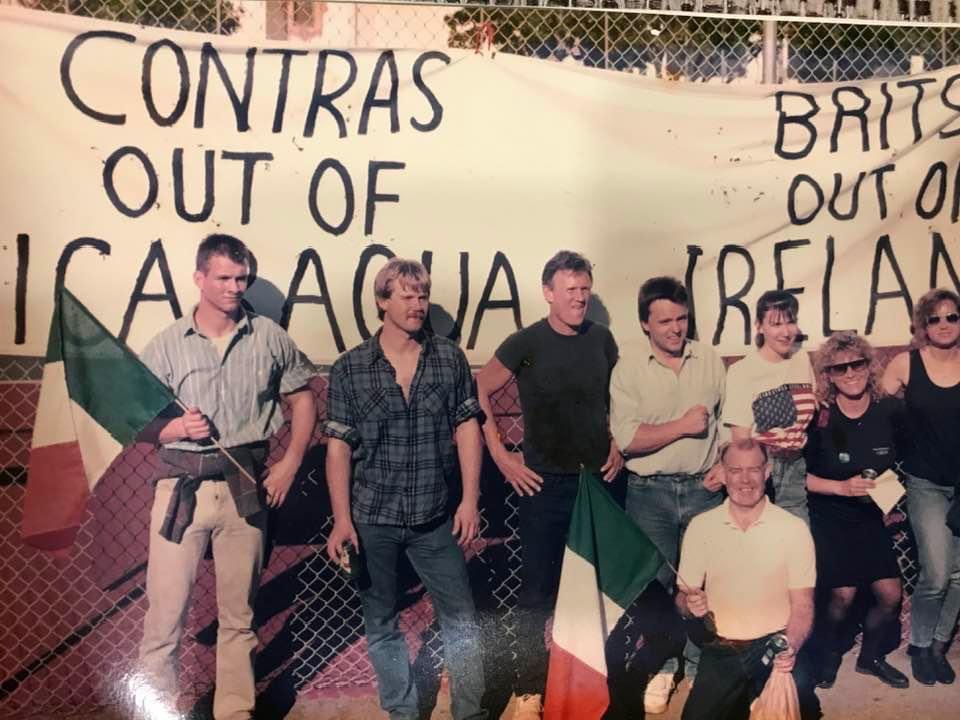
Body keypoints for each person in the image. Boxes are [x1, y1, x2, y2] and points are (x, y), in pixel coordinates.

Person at [138, 234, 317, 720]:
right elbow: (132, 418)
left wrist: (291, 460)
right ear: (199, 279)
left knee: (239, 618)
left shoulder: (270, 338)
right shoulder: (167, 344)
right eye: (223, 277)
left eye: (242, 278)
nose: (235, 287)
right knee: (165, 619)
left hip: (245, 488)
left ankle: (235, 712)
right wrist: (173, 427)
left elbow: (303, 398)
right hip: (181, 491)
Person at [324, 258, 487, 720]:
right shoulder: (350, 367)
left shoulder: (448, 358)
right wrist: (342, 519)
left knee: (462, 618)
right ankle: (401, 710)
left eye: (423, 295)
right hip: (372, 515)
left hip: (434, 516)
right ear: (382, 302)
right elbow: (337, 447)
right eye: (407, 296)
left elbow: (467, 428)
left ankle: (469, 713)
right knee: (380, 620)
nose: (418, 305)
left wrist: (470, 499)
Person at [475, 250, 623, 720]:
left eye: (585, 290)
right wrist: (502, 456)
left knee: (596, 588)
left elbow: (617, 400)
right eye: (570, 290)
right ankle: (527, 691)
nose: (579, 298)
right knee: (536, 593)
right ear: (548, 293)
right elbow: (477, 389)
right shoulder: (525, 342)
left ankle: (590, 684)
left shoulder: (603, 340)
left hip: (596, 483)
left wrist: (618, 441)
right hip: (543, 487)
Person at [609, 276, 726, 714]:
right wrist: (682, 425)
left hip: (703, 490)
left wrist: (724, 464)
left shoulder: (709, 359)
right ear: (645, 324)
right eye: (665, 321)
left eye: (681, 318)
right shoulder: (629, 369)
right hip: (649, 493)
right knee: (654, 588)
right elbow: (626, 439)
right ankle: (663, 663)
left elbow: (729, 423)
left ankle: (696, 669)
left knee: (702, 584)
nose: (676, 328)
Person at [676, 438, 820, 720]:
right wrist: (688, 605)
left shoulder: (793, 528)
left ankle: (758, 696)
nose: (745, 480)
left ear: (767, 472)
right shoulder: (702, 526)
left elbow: (803, 606)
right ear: (722, 473)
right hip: (724, 647)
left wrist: (789, 647)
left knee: (802, 699)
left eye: (753, 469)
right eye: (735, 470)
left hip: (774, 643)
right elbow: (681, 600)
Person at [805, 332, 907, 689]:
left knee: (891, 595)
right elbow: (799, 478)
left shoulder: (888, 409)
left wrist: (894, 495)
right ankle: (829, 654)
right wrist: (841, 487)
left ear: (869, 365)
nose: (850, 373)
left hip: (870, 517)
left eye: (857, 363)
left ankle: (871, 658)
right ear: (828, 375)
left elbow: (910, 454)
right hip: (830, 515)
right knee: (842, 595)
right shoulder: (820, 417)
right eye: (839, 367)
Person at [882, 287, 960, 686]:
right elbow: (875, 415)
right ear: (923, 325)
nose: (944, 325)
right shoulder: (905, 364)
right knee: (938, 573)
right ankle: (918, 645)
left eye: (952, 316)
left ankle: (937, 648)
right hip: (926, 483)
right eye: (935, 318)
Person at [723, 290, 816, 523]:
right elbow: (741, 439)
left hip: (796, 465)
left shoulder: (802, 359)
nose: (786, 332)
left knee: (797, 537)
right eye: (775, 324)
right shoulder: (742, 371)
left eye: (791, 321)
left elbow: (808, 408)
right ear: (759, 326)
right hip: (761, 469)